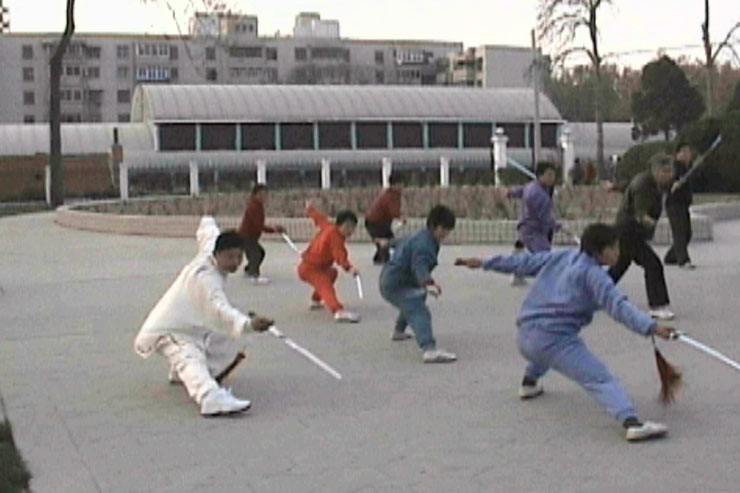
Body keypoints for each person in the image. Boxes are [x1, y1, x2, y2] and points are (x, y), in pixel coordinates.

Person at [455, 223, 675, 441]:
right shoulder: (594, 276)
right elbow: (619, 306)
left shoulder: (561, 257)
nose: (619, 252)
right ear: (600, 252)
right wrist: (651, 326)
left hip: (524, 337)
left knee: (546, 351)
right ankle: (631, 422)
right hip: (552, 342)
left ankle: (529, 383)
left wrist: (484, 263)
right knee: (599, 378)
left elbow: (522, 262)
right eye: (614, 248)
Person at [134, 217, 274, 416]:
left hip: (189, 324)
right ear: (217, 254)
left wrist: (207, 217)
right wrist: (249, 324)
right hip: (169, 330)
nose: (235, 263)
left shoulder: (211, 248)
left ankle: (182, 373)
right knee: (190, 358)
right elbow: (220, 309)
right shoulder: (208, 279)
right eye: (230, 257)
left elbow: (208, 232)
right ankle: (210, 397)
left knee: (223, 333)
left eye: (239, 257)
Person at [379, 204, 457, 363]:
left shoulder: (422, 235)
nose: (447, 233)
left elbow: (402, 241)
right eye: (444, 229)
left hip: (394, 280)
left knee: (415, 300)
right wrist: (427, 282)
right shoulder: (425, 245)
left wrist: (388, 243)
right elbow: (419, 264)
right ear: (435, 226)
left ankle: (398, 331)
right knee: (418, 309)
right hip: (397, 283)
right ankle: (429, 349)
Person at [608, 152, 675, 320]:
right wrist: (648, 221)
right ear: (655, 170)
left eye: (670, 171)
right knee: (653, 264)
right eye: (664, 171)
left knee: (620, 265)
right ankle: (658, 305)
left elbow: (626, 187)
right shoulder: (644, 185)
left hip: (630, 231)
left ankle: (594, 292)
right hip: (629, 231)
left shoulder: (653, 182)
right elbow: (640, 212)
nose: (668, 175)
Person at [496, 162, 561, 284]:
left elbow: (520, 191)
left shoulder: (533, 186)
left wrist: (509, 193)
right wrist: (556, 225)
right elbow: (544, 217)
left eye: (553, 175)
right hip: (533, 230)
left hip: (528, 227)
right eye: (549, 175)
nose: (552, 178)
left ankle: (519, 269)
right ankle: (546, 283)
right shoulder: (539, 194)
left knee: (539, 254)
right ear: (540, 176)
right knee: (544, 256)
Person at [298, 201, 361, 323]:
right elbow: (340, 255)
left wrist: (310, 209)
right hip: (311, 268)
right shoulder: (335, 237)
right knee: (325, 285)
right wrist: (349, 268)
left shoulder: (329, 226)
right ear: (339, 225)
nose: (350, 230)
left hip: (315, 267)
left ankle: (315, 300)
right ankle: (338, 311)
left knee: (332, 273)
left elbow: (319, 218)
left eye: (353, 227)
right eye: (347, 227)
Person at [237, 184, 286, 284]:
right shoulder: (253, 207)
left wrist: (274, 229)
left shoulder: (258, 206)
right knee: (256, 254)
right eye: (261, 194)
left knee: (260, 253)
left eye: (265, 194)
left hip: (252, 236)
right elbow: (259, 225)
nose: (264, 197)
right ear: (255, 195)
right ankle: (254, 274)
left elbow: (259, 225)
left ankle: (249, 270)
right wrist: (275, 229)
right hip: (246, 236)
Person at [664, 143, 695, 269]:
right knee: (680, 232)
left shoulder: (687, 168)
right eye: (685, 152)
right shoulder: (674, 167)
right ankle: (683, 260)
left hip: (683, 204)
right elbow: (668, 181)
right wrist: (674, 183)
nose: (688, 154)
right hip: (674, 204)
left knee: (687, 233)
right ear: (677, 154)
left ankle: (671, 256)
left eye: (689, 152)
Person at [365, 174, 405, 264]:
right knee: (385, 242)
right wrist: (401, 217)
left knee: (389, 241)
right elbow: (393, 211)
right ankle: (383, 259)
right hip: (374, 222)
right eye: (401, 184)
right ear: (394, 185)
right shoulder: (390, 195)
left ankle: (379, 258)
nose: (403, 186)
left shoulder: (394, 194)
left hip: (382, 222)